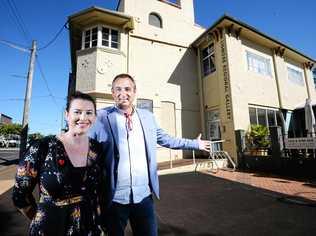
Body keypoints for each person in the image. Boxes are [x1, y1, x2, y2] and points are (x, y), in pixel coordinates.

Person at [89, 73, 211, 236]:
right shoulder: (101, 117)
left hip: (143, 197)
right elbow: (87, 149)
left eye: (127, 89)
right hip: (114, 198)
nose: (122, 93)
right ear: (112, 92)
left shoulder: (147, 117)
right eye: (118, 89)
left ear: (134, 91)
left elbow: (166, 139)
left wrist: (194, 144)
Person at [12, 92, 104, 236]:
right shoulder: (42, 147)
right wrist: (40, 219)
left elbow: (99, 193)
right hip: (50, 229)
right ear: (67, 115)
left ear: (94, 117)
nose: (83, 118)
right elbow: (20, 196)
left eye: (89, 113)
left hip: (89, 229)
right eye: (77, 112)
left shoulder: (97, 149)